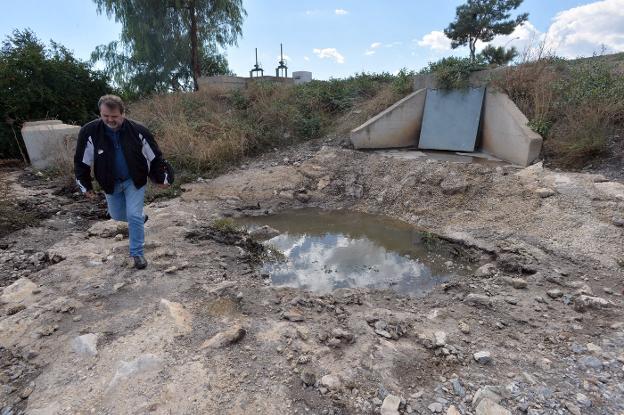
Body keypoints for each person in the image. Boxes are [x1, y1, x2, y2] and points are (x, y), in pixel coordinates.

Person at [74, 94, 169, 269]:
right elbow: (81, 161)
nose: (110, 120)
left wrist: (161, 178)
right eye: (105, 116)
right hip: (110, 182)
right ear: (100, 113)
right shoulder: (90, 132)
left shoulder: (139, 130)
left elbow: (155, 156)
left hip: (135, 180)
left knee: (132, 215)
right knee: (117, 215)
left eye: (114, 116)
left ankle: (137, 254)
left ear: (123, 113)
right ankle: (140, 219)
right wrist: (85, 186)